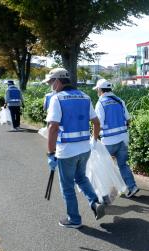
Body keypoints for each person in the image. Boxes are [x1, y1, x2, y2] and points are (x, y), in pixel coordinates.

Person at [44, 68, 105, 229]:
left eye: (51, 82)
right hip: (85, 148)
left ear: (58, 81)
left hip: (66, 151)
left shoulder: (57, 99)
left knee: (67, 186)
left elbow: (52, 128)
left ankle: (74, 219)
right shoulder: (85, 97)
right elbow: (96, 122)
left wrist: (50, 153)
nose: (50, 85)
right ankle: (95, 202)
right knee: (81, 178)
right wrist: (94, 139)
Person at [93, 79, 139, 198]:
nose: (97, 92)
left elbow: (98, 124)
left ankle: (106, 192)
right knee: (123, 164)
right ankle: (132, 187)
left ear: (100, 89)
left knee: (104, 165)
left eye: (97, 89)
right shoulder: (120, 101)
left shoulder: (101, 103)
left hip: (108, 141)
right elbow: (128, 120)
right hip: (123, 139)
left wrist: (94, 139)